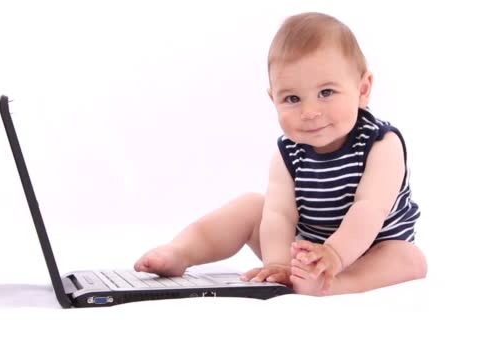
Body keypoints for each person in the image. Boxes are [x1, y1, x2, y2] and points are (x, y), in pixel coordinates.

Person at [133, 12, 427, 296]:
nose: (310, 112)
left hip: (369, 249)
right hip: (306, 252)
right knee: (252, 206)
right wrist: (278, 264)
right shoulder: (288, 153)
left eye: (326, 92)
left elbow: (368, 210)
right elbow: (280, 214)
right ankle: (181, 251)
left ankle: (335, 285)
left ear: (363, 89)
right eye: (292, 98)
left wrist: (334, 256)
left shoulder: (381, 144)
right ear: (273, 99)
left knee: (407, 258)